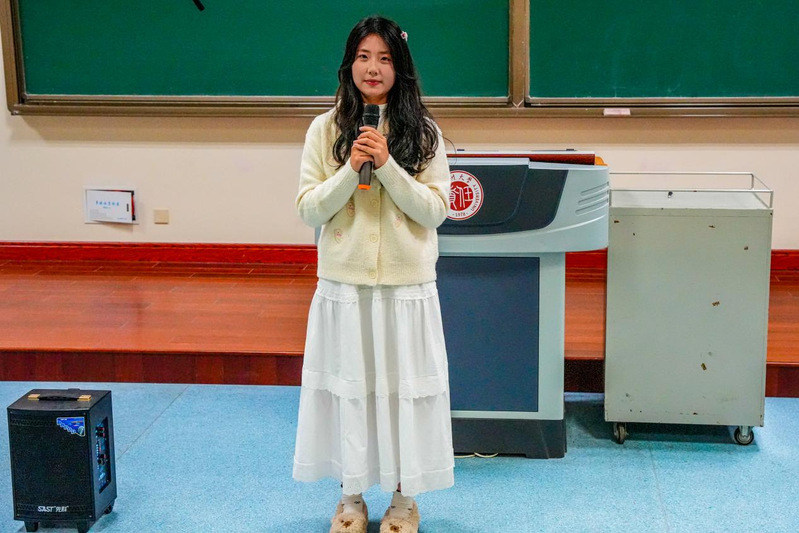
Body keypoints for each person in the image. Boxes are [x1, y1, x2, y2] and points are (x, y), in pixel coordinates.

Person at [292, 15, 454, 533]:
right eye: (363, 57)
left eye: (384, 58)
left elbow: (435, 211)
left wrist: (386, 164)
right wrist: (350, 168)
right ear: (349, 65)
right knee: (351, 391)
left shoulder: (424, 132)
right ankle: (351, 498)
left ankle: (405, 500)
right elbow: (309, 209)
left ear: (399, 67)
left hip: (405, 288)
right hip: (346, 286)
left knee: (404, 393)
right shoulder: (324, 128)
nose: (373, 68)